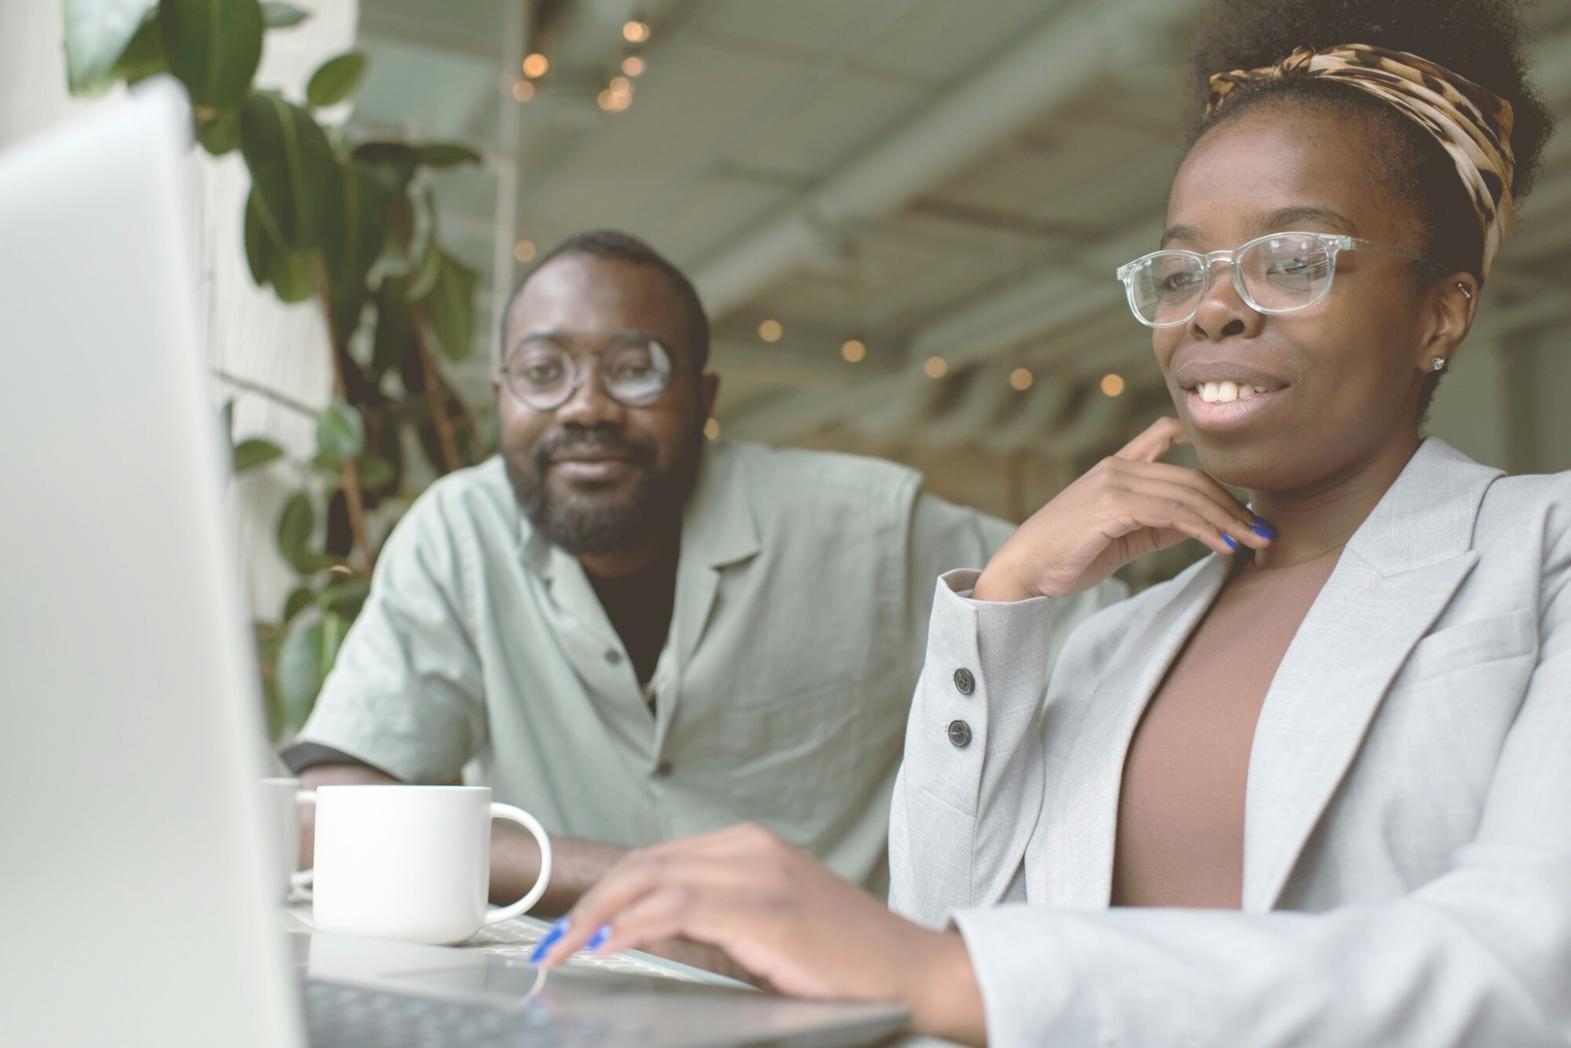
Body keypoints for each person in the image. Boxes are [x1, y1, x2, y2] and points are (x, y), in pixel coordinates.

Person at [537, 1, 1571, 1043]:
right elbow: (938, 923)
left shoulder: (1543, 552)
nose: (1211, 309)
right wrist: (1003, 596)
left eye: (1291, 258)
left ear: (1440, 311)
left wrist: (949, 974)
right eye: (1180, 270)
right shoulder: (1114, 639)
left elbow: (1521, 970)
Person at [283, 229, 1118, 915]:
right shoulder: (459, 534)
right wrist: (635, 883)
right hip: (561, 997)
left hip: (827, 1016)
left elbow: (1110, 649)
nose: (585, 406)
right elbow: (328, 812)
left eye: (634, 367)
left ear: (704, 398)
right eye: (543, 373)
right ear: (500, 394)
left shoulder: (864, 525)